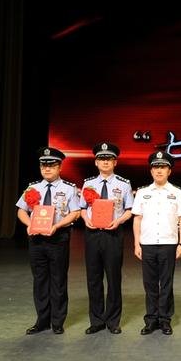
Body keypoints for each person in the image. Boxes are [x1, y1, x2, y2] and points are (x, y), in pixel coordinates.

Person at [16, 147, 81, 335]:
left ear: (60, 167)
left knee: (58, 280)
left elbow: (75, 212)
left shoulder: (69, 188)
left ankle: (57, 321)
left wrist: (57, 225)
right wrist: (29, 224)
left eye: (51, 165)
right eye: (43, 165)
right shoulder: (32, 188)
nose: (47, 169)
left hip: (58, 238)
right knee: (40, 280)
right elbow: (21, 210)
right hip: (36, 240)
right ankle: (42, 321)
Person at [79, 142, 133, 335]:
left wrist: (118, 221)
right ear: (96, 162)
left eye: (109, 159)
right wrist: (86, 220)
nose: (105, 162)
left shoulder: (123, 184)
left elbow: (129, 210)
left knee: (113, 277)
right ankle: (96, 320)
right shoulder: (88, 184)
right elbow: (82, 208)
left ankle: (112, 320)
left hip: (113, 234)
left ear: (115, 162)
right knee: (93, 278)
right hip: (92, 234)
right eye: (101, 159)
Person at [132, 151, 181, 336]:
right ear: (151, 171)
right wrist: (136, 244)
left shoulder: (177, 192)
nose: (159, 170)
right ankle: (151, 320)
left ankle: (165, 320)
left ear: (169, 171)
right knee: (149, 284)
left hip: (168, 243)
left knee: (166, 284)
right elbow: (137, 219)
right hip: (147, 243)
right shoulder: (142, 193)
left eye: (163, 167)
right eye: (156, 167)